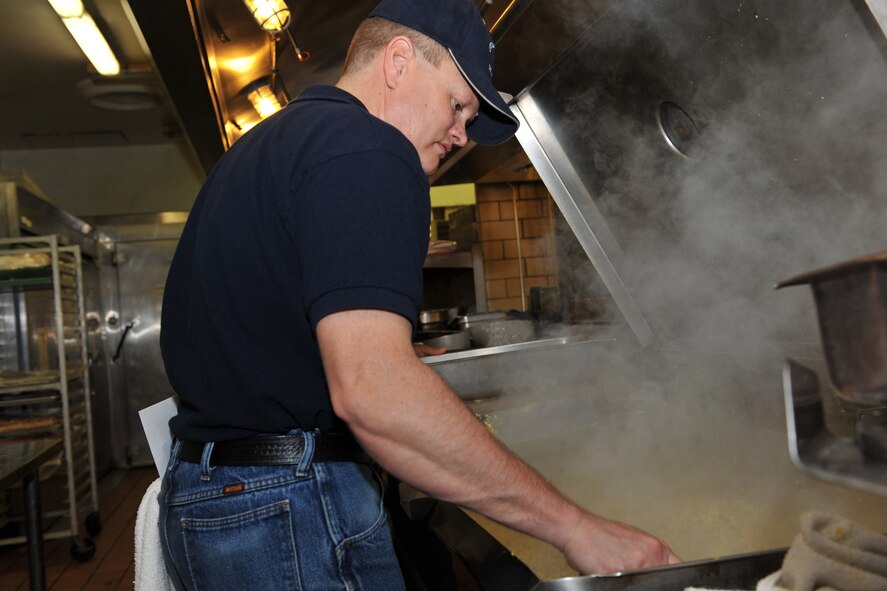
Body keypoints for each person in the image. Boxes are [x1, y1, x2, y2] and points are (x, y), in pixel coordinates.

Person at [158, 0, 680, 589]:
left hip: (220, 504)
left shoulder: (272, 144)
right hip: (285, 510)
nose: (460, 134)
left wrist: (399, 359)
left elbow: (269, 343)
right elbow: (372, 391)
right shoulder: (370, 149)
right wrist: (576, 526)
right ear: (399, 60)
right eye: (457, 103)